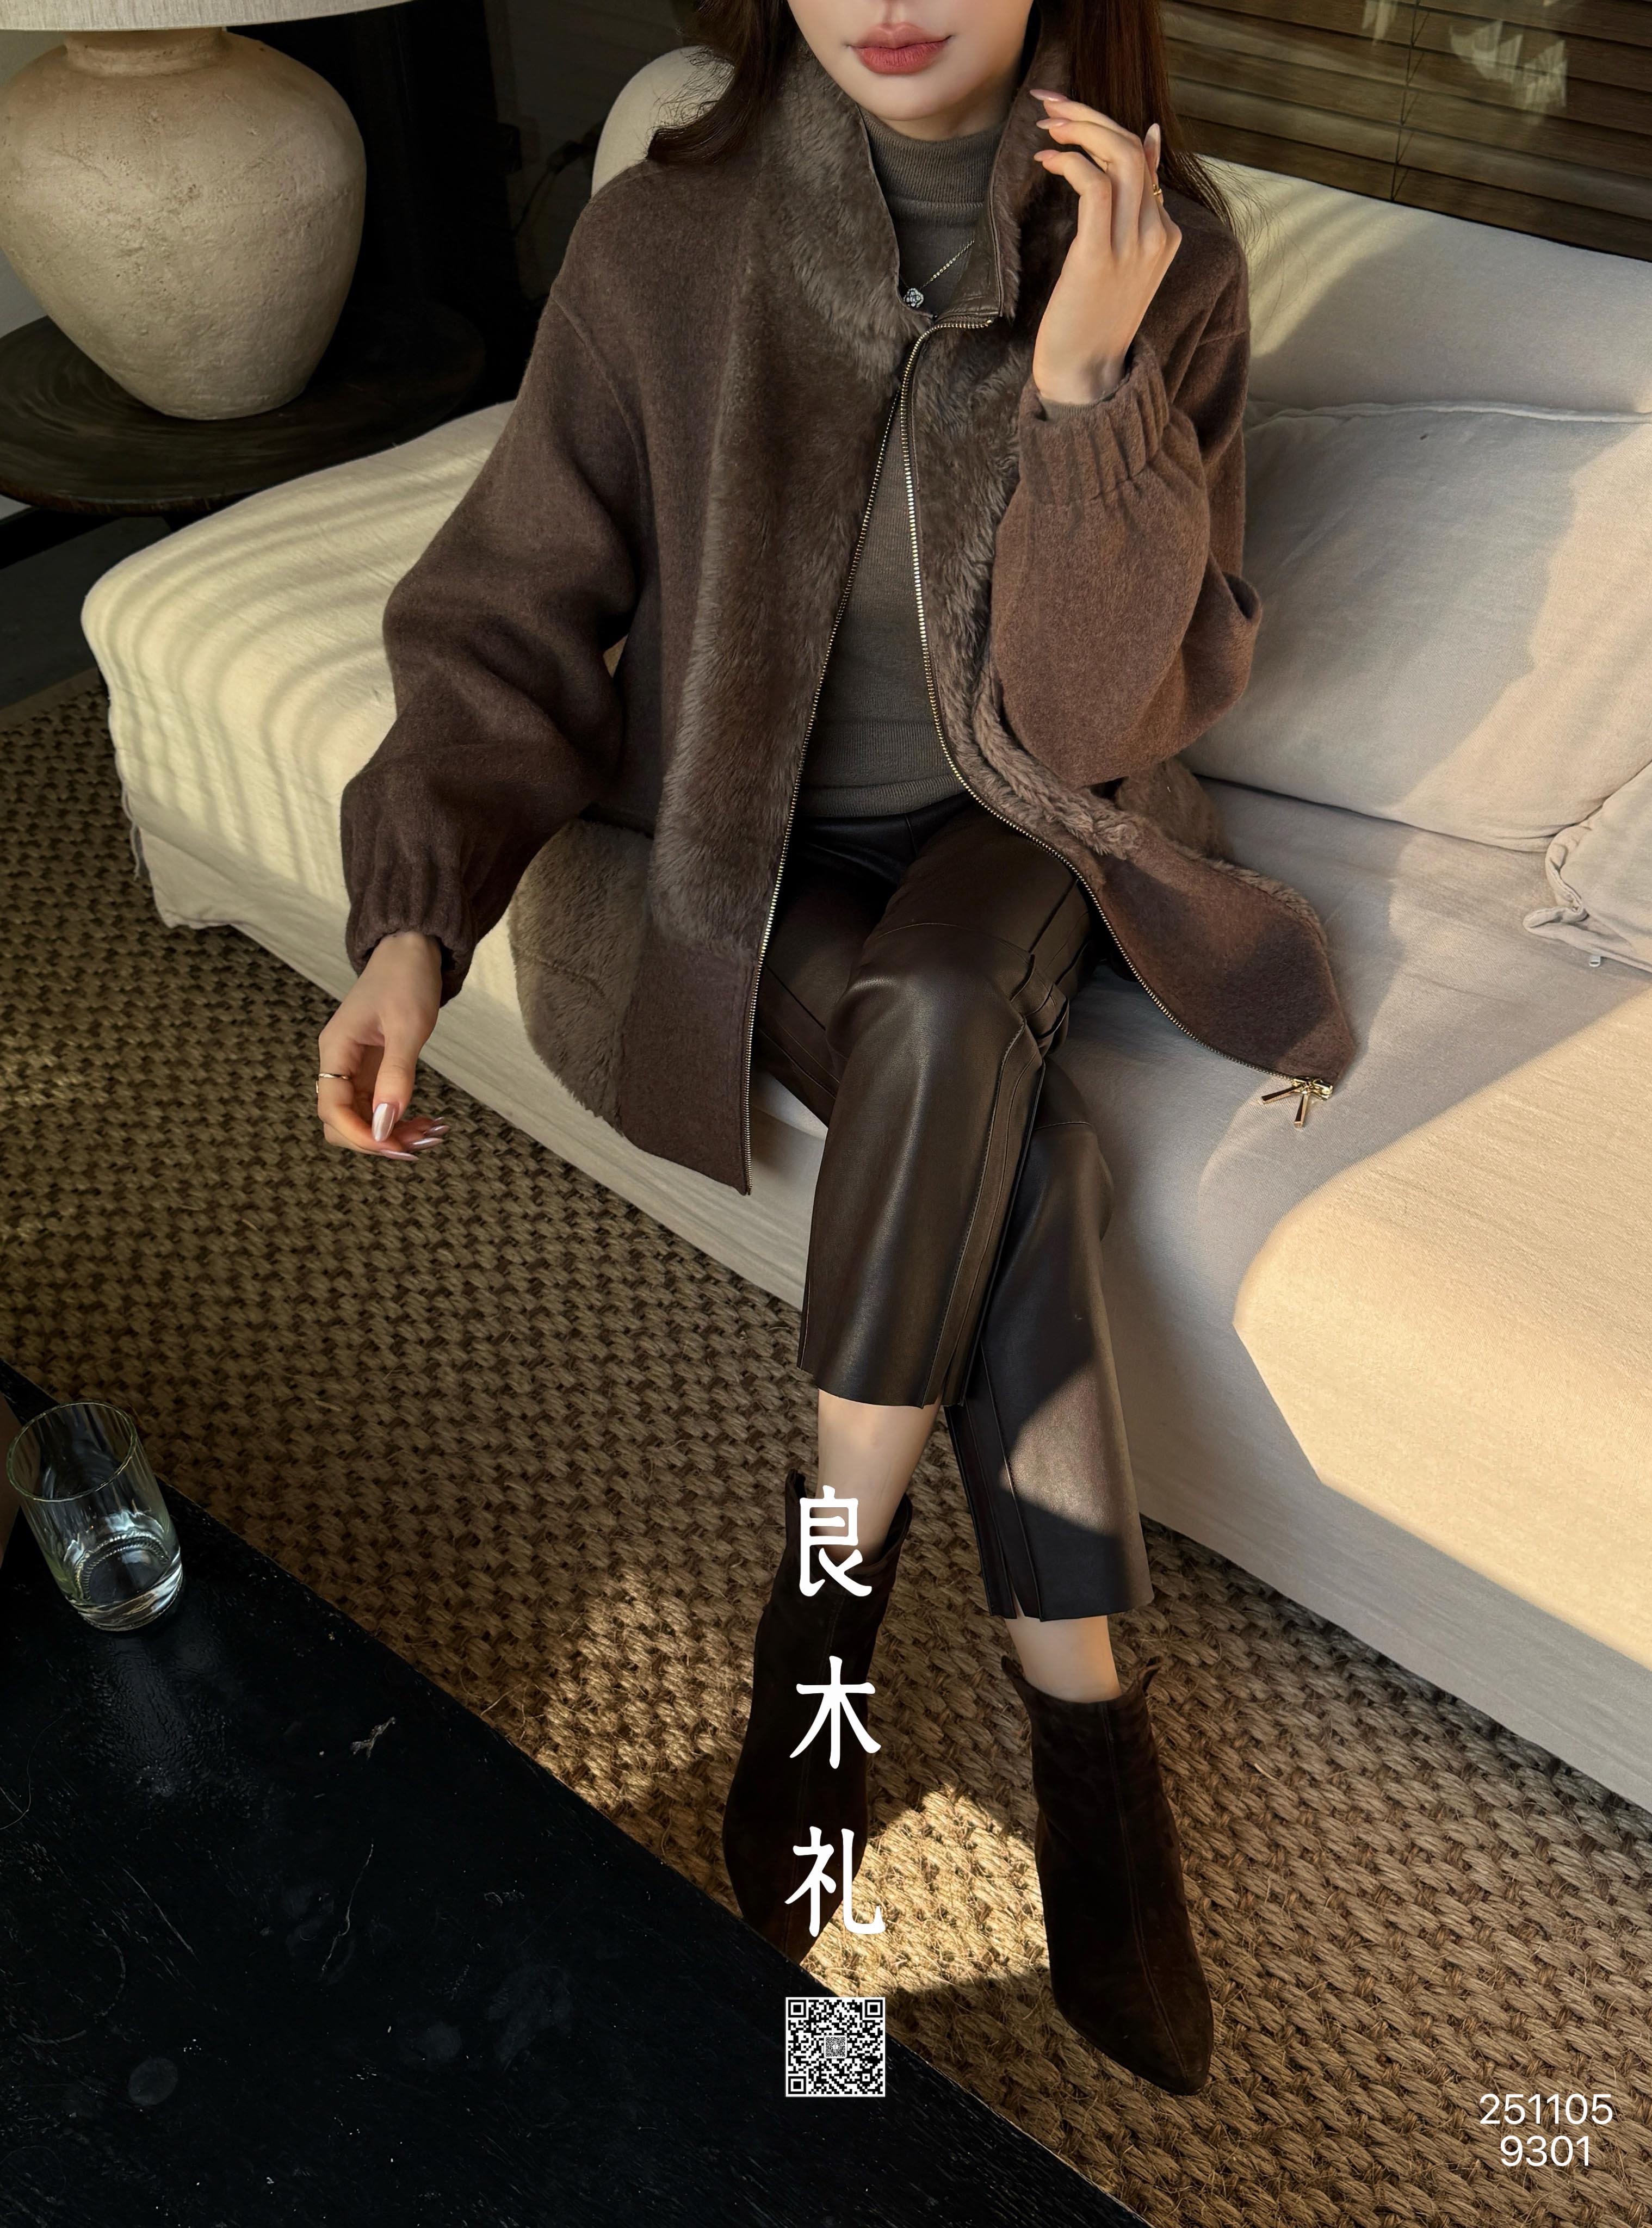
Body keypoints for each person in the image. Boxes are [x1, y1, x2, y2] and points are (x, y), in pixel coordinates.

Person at [318, 0, 1354, 2095]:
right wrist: (416, 918)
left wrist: (1083, 389)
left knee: (957, 995)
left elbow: (1087, 728)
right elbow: (512, 604)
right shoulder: (665, 238)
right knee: (1013, 1141)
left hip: (1025, 826)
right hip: (729, 847)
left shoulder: (1165, 251)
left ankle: (828, 1622)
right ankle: (1093, 1744)